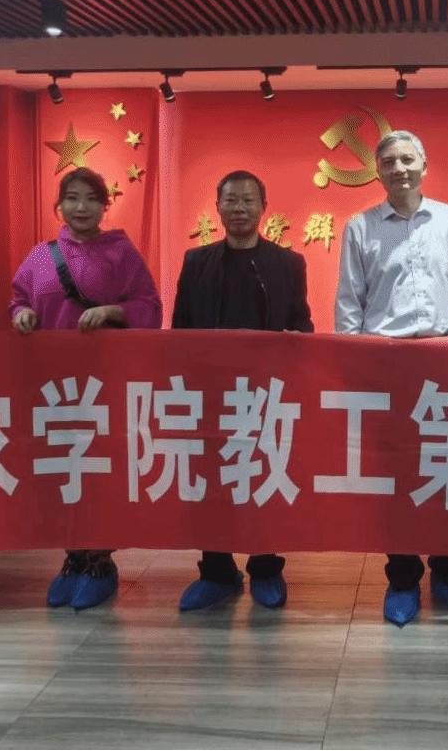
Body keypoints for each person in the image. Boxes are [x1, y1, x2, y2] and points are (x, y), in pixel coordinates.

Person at [335, 130, 448, 626]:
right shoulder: (360, 227)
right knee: (396, 478)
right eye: (389, 161)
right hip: (387, 364)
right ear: (377, 171)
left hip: (447, 361)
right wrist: (353, 366)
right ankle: (402, 579)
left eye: (407, 159)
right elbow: (349, 302)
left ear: (424, 165)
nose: (399, 168)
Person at [11, 167, 162, 611]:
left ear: (104, 206)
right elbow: (19, 298)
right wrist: (21, 315)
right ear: (59, 204)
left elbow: (149, 307)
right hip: (53, 386)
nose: (81, 207)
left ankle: (100, 562)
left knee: (100, 471)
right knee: (63, 470)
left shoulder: (121, 252)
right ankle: (73, 557)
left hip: (104, 385)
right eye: (72, 198)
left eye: (92, 199)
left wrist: (113, 311)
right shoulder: (40, 256)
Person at [170, 170, 313, 611]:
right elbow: (180, 329)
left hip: (264, 395)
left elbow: (302, 322)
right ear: (217, 207)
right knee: (211, 484)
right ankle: (216, 572)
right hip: (208, 394)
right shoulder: (196, 261)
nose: (239, 209)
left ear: (264, 208)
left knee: (262, 480)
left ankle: (266, 569)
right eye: (231, 200)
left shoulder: (288, 264)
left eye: (248, 200)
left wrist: (299, 341)